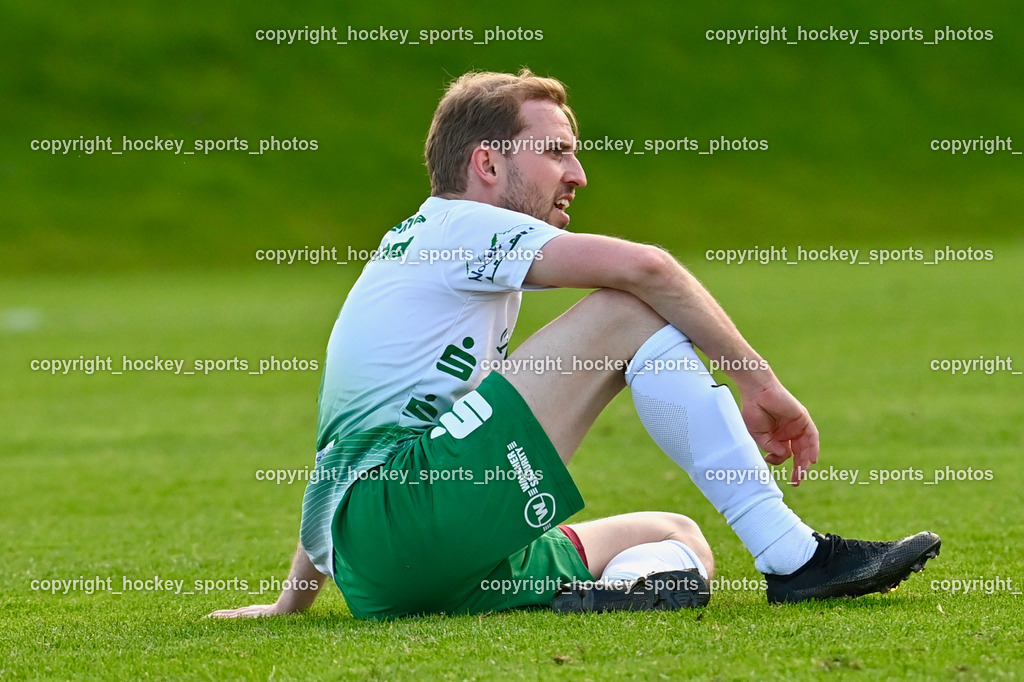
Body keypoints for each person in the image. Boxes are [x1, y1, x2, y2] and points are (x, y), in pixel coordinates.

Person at [210, 68, 940, 620]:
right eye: (556, 151)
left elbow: (346, 450)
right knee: (627, 307)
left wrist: (291, 605)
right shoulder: (458, 228)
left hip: (395, 571)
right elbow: (647, 268)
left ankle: (606, 595)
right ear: (488, 165)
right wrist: (761, 386)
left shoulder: (418, 251)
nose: (578, 174)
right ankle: (794, 557)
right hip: (412, 518)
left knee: (677, 536)